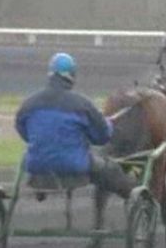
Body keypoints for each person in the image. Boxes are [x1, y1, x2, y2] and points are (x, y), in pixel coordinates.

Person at [15, 52, 137, 199]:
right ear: (72, 76)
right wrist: (108, 125)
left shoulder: (29, 104)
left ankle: (42, 188)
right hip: (74, 167)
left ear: (50, 74)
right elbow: (102, 138)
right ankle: (131, 192)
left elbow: (21, 128)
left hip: (36, 166)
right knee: (111, 169)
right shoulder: (83, 105)